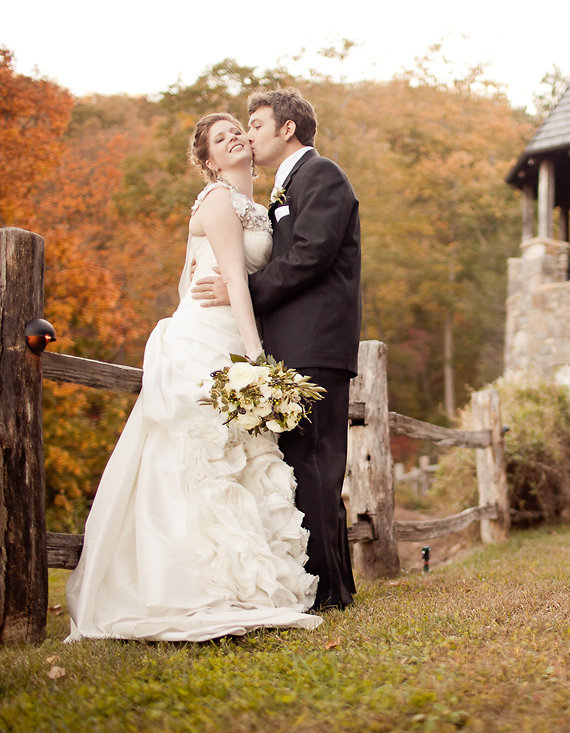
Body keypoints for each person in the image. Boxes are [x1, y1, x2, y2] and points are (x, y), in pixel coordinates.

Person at [64, 113, 321, 642]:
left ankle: (240, 582)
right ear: (208, 162)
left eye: (238, 131)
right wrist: (257, 359)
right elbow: (232, 278)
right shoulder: (219, 200)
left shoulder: (261, 205)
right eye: (220, 138)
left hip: (234, 334)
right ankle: (186, 585)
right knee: (200, 456)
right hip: (208, 338)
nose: (234, 138)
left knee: (239, 456)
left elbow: (264, 275)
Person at [192, 89, 360, 611]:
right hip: (293, 342)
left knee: (316, 461)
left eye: (257, 124)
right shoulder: (278, 194)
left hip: (316, 342)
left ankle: (328, 592)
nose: (250, 133)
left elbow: (311, 254)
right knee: (306, 463)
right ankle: (332, 586)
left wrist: (244, 288)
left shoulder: (323, 176)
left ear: (286, 129)